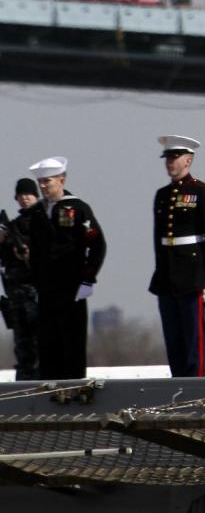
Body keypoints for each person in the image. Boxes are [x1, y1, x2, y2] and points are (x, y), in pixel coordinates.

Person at [149, 135, 205, 377]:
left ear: (188, 160)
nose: (169, 162)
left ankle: (196, 386)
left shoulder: (201, 192)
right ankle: (177, 384)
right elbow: (158, 239)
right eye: (168, 158)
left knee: (194, 342)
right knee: (174, 340)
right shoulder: (162, 195)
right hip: (167, 277)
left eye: (175, 157)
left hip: (192, 277)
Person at [25, 157, 107, 379]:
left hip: (71, 286)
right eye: (40, 182)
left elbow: (97, 245)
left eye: (48, 181)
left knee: (72, 340)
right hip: (46, 287)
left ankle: (73, 387)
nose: (43, 186)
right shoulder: (37, 213)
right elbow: (35, 249)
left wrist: (88, 279)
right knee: (48, 341)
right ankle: (49, 387)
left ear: (62, 179)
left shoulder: (78, 208)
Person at [0, 178, 42, 380]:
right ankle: (24, 379)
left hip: (37, 292)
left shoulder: (43, 223)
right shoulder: (12, 227)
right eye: (21, 195)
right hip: (16, 294)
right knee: (22, 343)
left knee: (40, 341)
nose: (25, 199)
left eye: (28, 194)